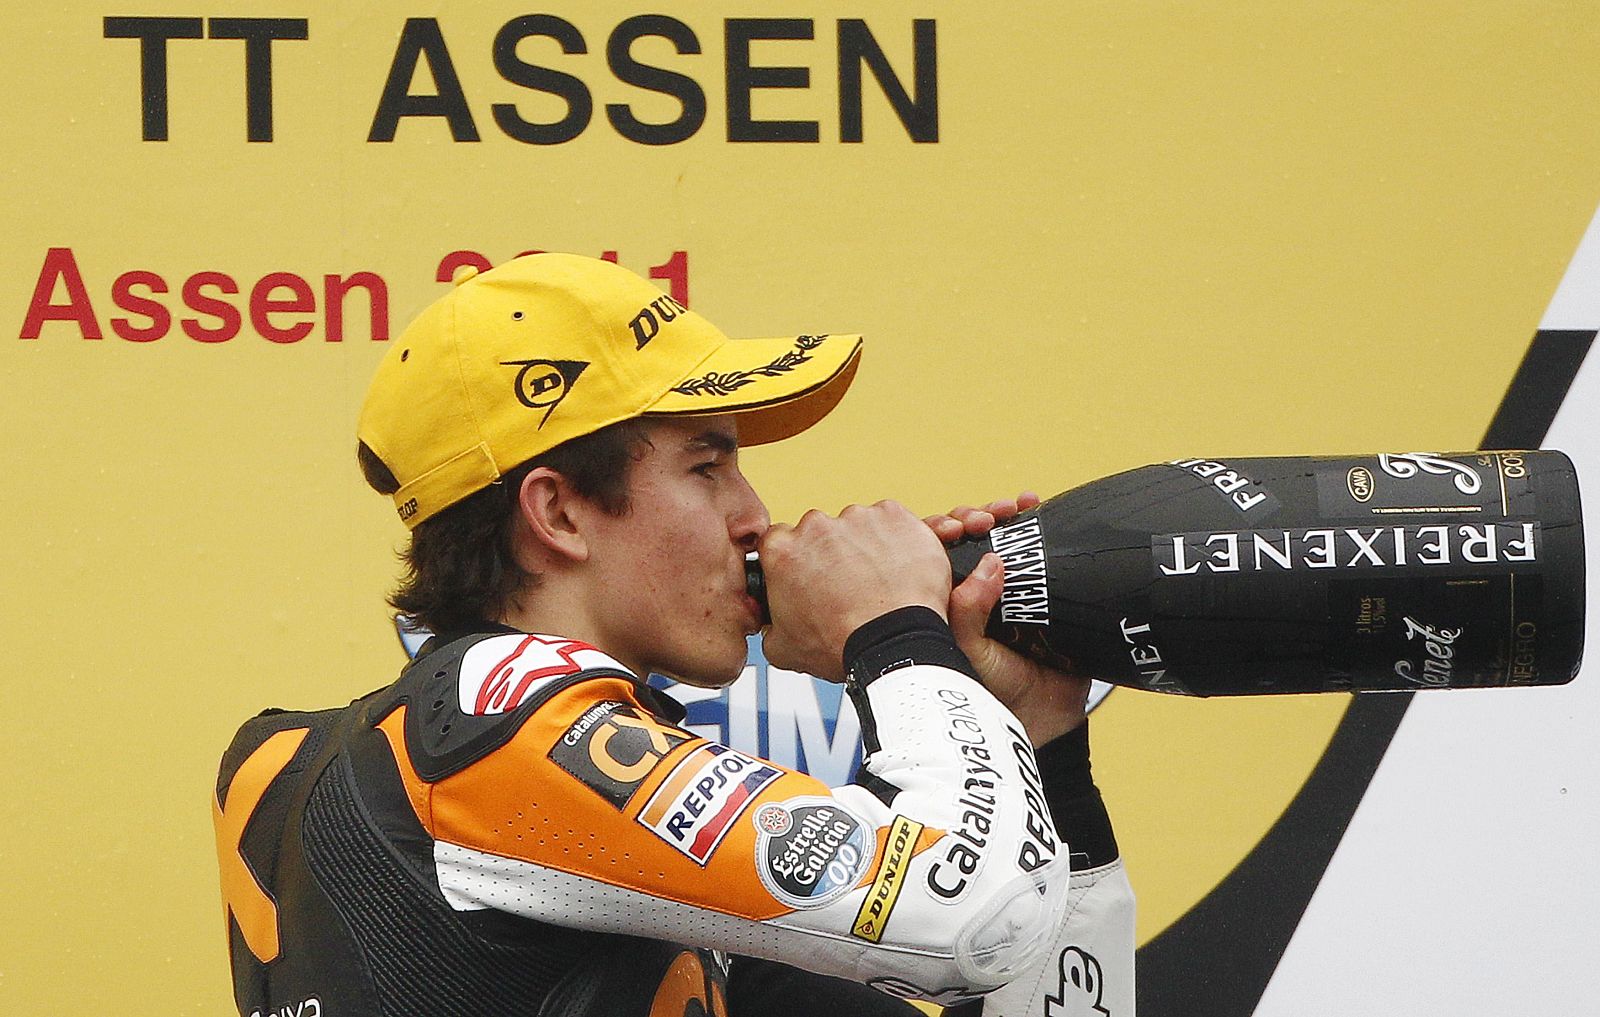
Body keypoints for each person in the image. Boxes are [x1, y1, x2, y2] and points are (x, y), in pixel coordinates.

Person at [213, 254, 1135, 1017]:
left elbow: (987, 932)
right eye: (707, 466)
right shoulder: (490, 725)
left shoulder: (584, 861)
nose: (756, 515)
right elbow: (965, 911)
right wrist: (891, 630)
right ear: (560, 512)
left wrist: (1034, 728)